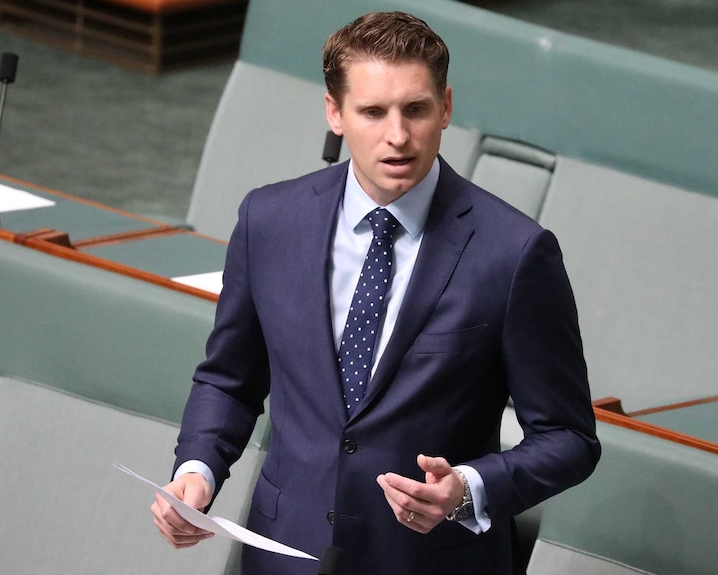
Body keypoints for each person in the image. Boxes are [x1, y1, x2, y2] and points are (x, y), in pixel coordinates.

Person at [151, 11, 600, 575]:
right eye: (372, 112)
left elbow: (568, 438)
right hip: (284, 555)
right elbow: (229, 378)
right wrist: (197, 469)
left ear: (446, 108)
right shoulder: (268, 221)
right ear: (334, 113)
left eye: (416, 109)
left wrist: (468, 487)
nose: (398, 135)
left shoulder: (514, 253)